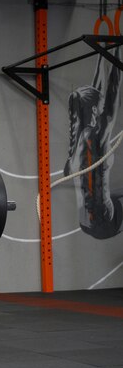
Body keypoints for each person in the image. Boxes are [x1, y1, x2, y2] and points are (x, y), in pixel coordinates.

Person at [64, 47, 122, 239]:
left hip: (84, 222)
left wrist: (101, 53)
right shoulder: (97, 137)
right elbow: (112, 92)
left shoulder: (75, 139)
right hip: (105, 221)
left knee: (115, 193)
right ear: (95, 111)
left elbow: (95, 93)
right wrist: (118, 51)